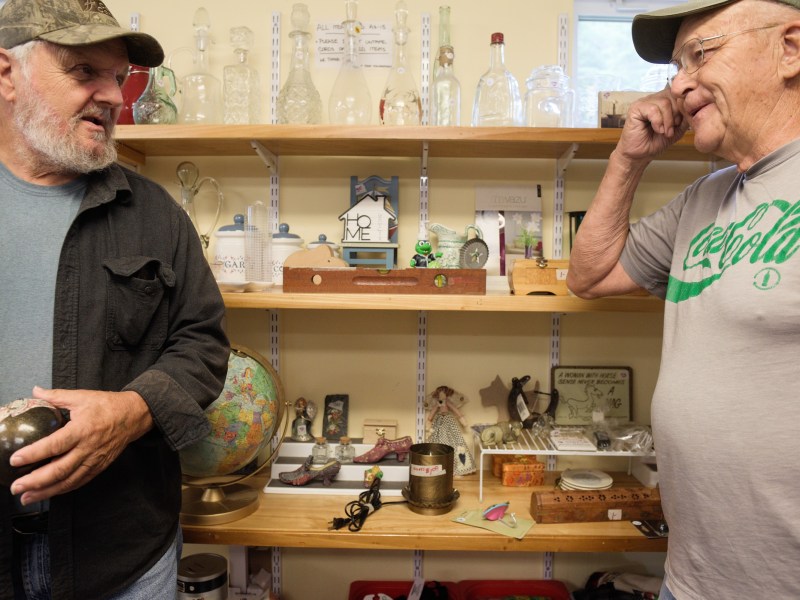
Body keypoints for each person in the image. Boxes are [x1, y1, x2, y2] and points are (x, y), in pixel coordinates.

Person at [567, 0, 800, 598]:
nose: (678, 84)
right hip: (693, 579)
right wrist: (628, 160)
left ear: (790, 48)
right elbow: (589, 276)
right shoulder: (706, 196)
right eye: (675, 67)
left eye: (701, 54)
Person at [0, 1, 230, 598]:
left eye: (119, 77)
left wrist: (131, 411)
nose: (112, 97)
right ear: (6, 74)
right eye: (84, 72)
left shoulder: (156, 215)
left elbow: (203, 344)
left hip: (123, 554)